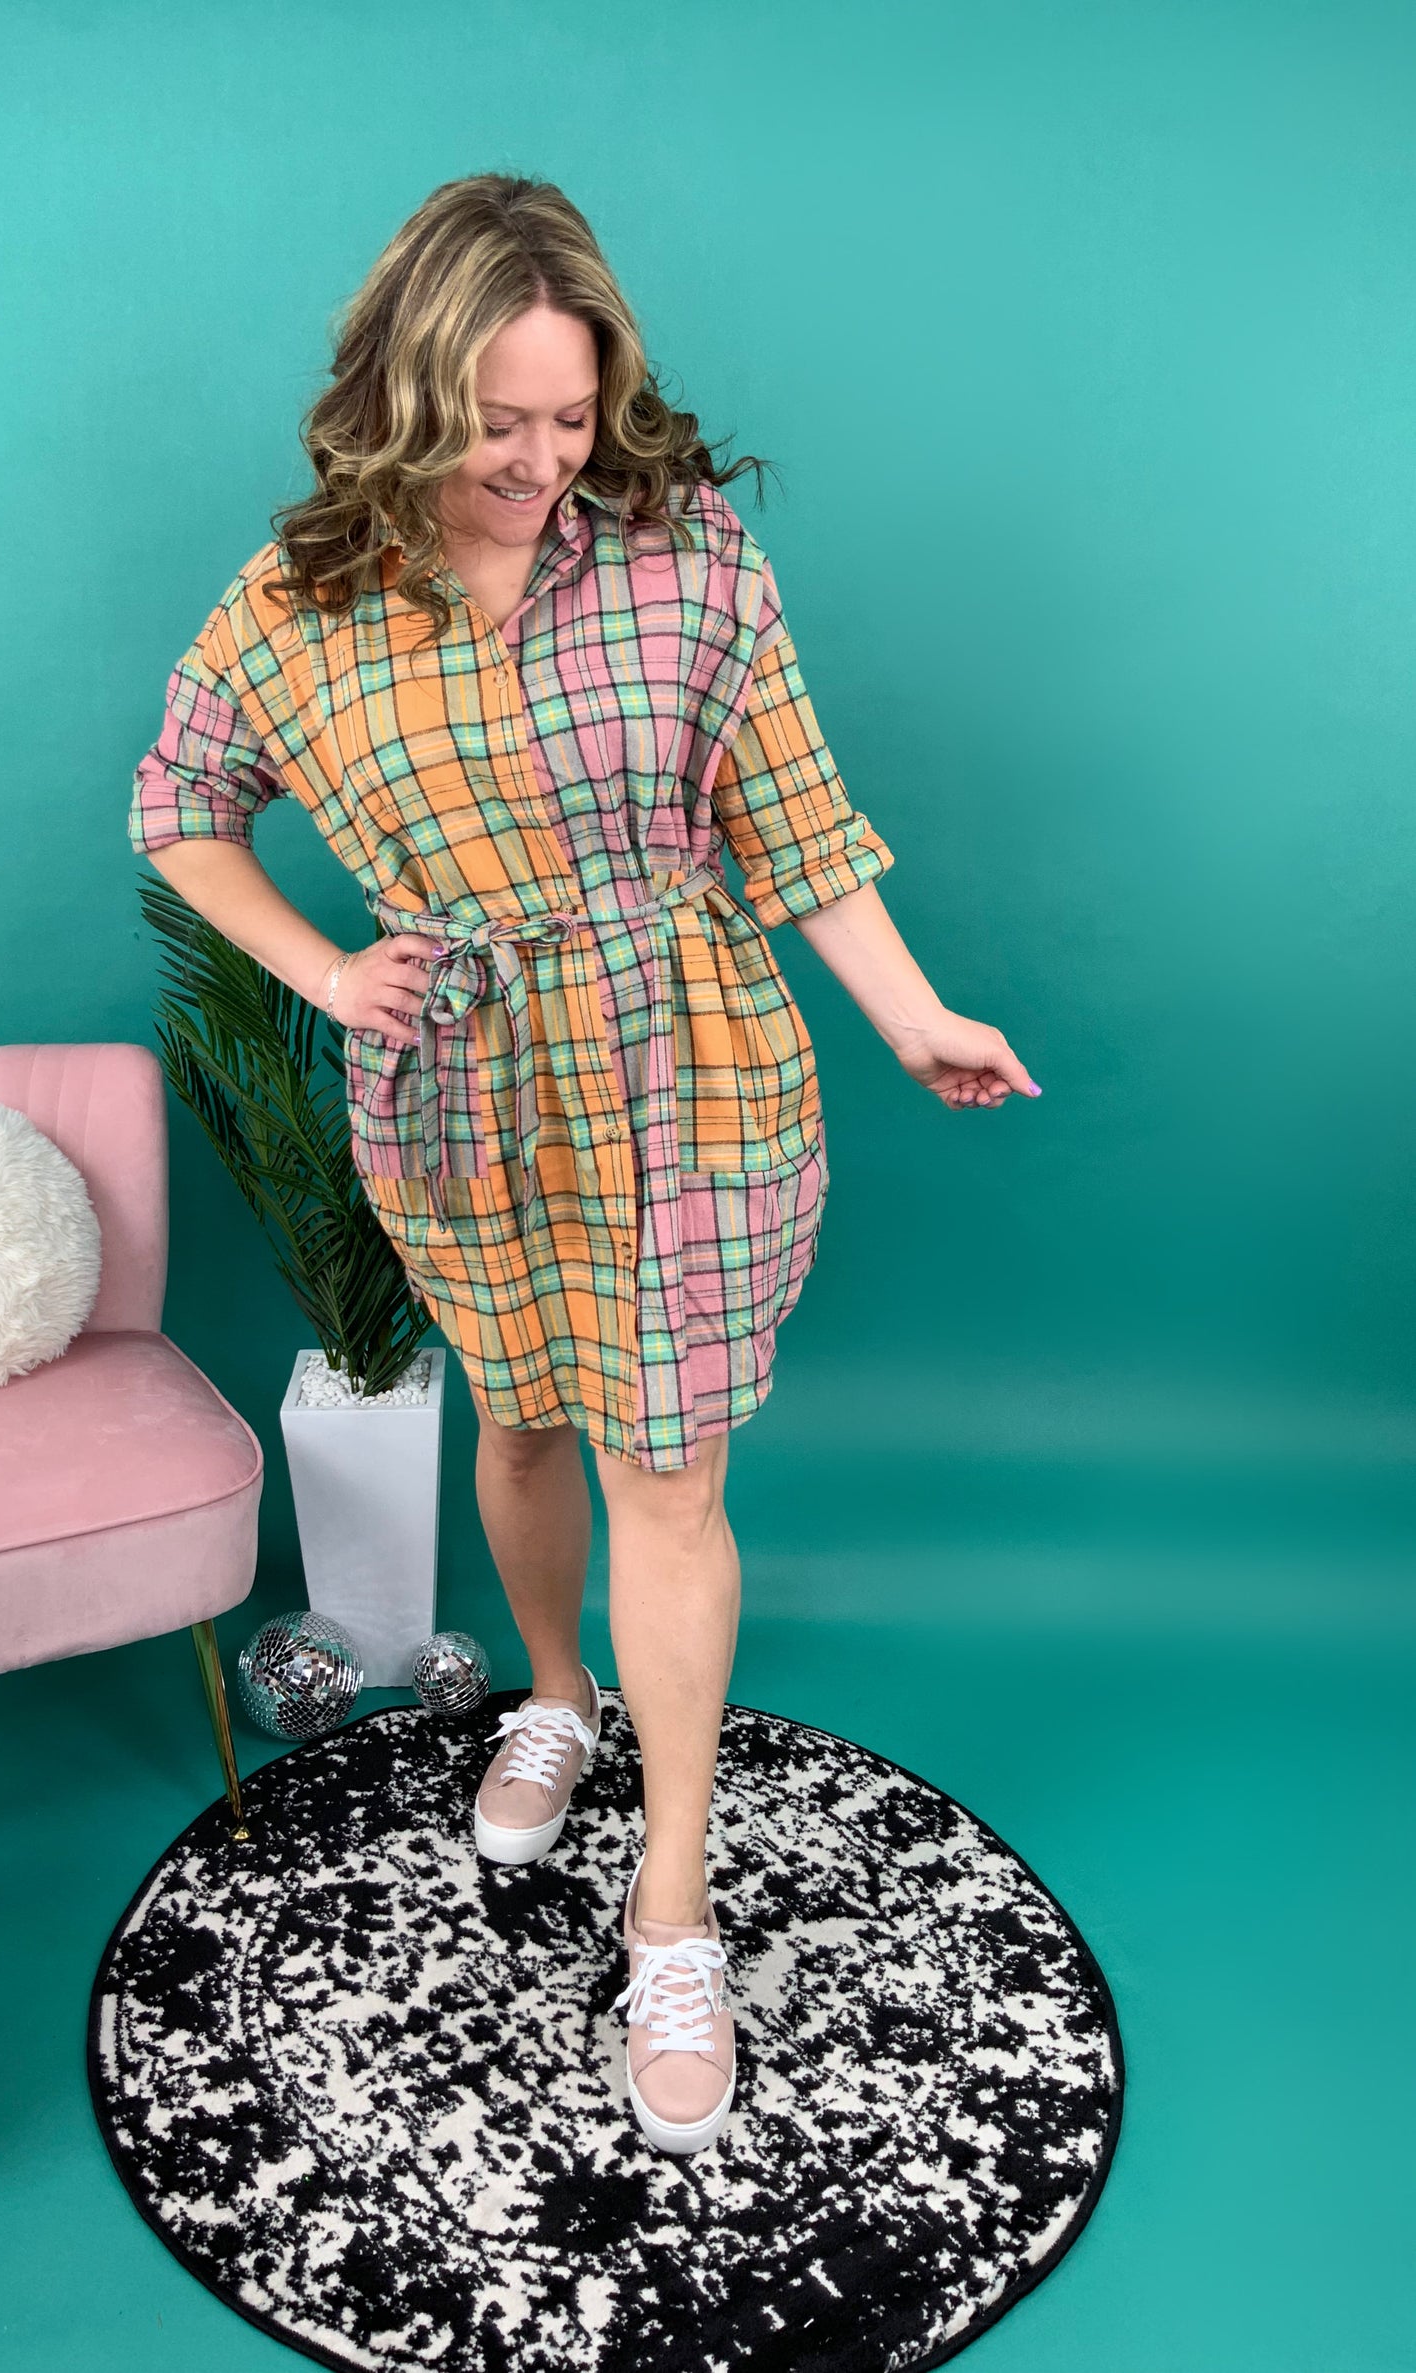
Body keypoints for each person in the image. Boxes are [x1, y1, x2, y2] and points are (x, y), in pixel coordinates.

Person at [129, 173, 1038, 2157]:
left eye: (571, 414)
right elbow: (178, 806)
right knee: (526, 1422)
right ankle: (555, 1689)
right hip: (462, 1082)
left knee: (668, 1462)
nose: (542, 461)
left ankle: (672, 1905)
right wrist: (325, 969)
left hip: (692, 1055)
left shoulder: (687, 551)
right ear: (400, 395)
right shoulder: (298, 601)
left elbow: (798, 821)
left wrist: (912, 1014)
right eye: (497, 423)